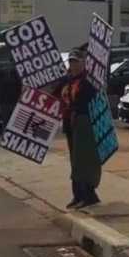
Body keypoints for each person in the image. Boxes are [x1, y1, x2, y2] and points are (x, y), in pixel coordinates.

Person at [54, 48, 102, 210]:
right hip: (70, 124)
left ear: (83, 63)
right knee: (75, 161)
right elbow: (54, 95)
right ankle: (78, 195)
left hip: (83, 124)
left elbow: (90, 100)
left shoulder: (88, 81)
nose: (73, 65)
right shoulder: (67, 80)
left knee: (83, 161)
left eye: (76, 61)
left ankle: (88, 195)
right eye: (71, 61)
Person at [0, 62, 22, 128]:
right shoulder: (15, 73)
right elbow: (19, 86)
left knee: (5, 120)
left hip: (4, 100)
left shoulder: (0, 73)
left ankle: (6, 134)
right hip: (14, 99)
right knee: (14, 120)